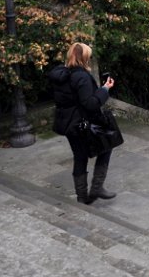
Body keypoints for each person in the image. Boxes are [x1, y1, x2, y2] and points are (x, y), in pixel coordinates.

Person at [49, 42, 117, 204]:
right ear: (84, 58)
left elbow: (71, 98)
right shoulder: (81, 77)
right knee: (106, 147)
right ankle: (97, 187)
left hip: (67, 123)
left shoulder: (60, 74)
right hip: (82, 123)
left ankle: (82, 197)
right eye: (89, 56)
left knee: (80, 157)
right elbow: (90, 103)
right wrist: (105, 90)